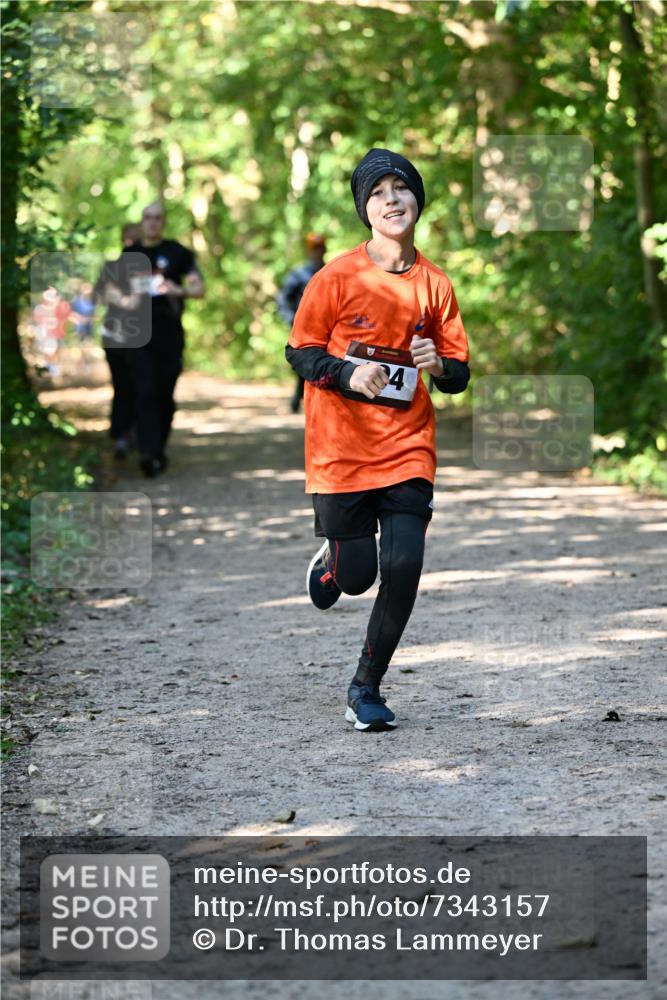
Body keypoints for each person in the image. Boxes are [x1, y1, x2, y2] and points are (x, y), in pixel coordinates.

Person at [285, 148, 470, 732]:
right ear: (365, 210)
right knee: (360, 575)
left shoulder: (434, 284)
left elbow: (459, 374)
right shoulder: (336, 277)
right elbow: (300, 351)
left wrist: (437, 364)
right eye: (378, 192)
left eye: (401, 188)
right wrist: (344, 372)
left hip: (408, 443)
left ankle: (366, 687)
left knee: (406, 563)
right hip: (340, 448)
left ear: (417, 201)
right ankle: (336, 563)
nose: (392, 199)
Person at [124, 202, 205, 477]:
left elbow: (198, 288)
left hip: (169, 334)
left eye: (157, 218)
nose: (152, 223)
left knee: (164, 395)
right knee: (145, 391)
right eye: (148, 218)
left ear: (163, 222)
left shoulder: (178, 253)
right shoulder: (130, 253)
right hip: (138, 335)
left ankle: (157, 448)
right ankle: (148, 454)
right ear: (141, 221)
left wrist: (176, 289)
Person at [94, 223, 142, 459]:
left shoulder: (147, 268)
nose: (131, 244)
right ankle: (122, 434)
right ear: (122, 239)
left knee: (141, 385)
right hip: (115, 336)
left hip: (142, 337)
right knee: (122, 385)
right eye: (128, 239)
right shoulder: (112, 267)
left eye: (136, 239)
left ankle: (134, 432)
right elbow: (99, 295)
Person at [277, 233, 327, 413]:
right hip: (303, 327)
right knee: (303, 361)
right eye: (314, 248)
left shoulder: (331, 271)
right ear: (309, 250)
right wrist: (291, 318)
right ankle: (299, 397)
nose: (318, 251)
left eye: (320, 248)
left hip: (327, 329)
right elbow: (283, 299)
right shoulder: (298, 275)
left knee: (323, 363)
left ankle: (308, 399)